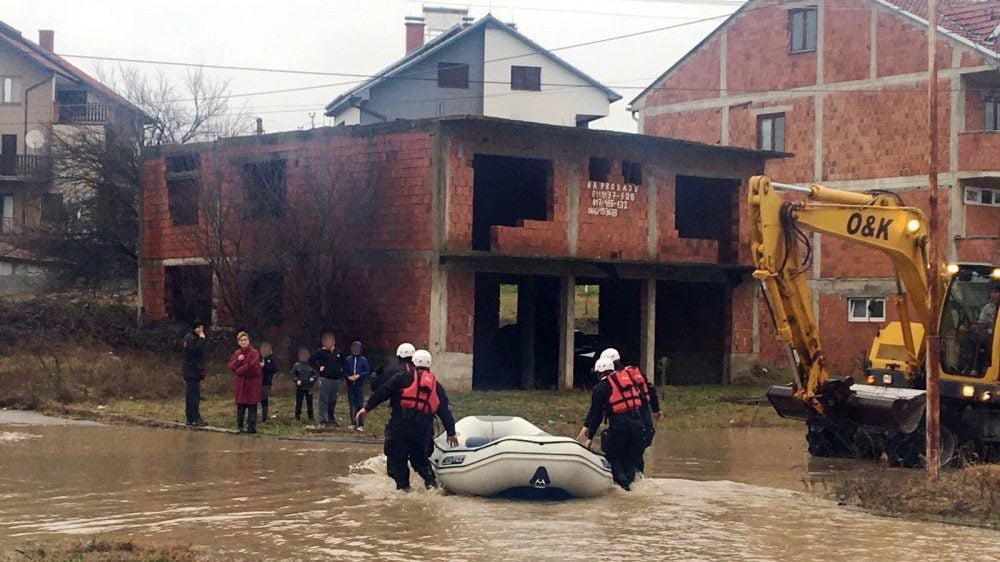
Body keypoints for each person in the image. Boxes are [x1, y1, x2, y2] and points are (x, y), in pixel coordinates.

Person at [355, 349, 459, 491]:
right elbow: (444, 411)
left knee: (397, 461)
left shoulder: (402, 377)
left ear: (413, 362)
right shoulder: (436, 386)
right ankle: (432, 486)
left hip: (400, 426)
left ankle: (404, 490)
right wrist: (451, 432)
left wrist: (366, 408)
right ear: (429, 365)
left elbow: (383, 392)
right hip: (423, 430)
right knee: (421, 461)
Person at [577, 356, 647, 491]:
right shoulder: (629, 383)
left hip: (620, 428)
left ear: (600, 372)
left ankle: (623, 489)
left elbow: (596, 414)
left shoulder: (601, 388)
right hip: (638, 427)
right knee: (629, 459)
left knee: (613, 457)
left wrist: (589, 438)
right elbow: (643, 402)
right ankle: (631, 488)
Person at [600, 348, 662, 475]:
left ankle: (625, 485)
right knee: (636, 456)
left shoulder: (616, 380)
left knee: (622, 456)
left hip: (630, 425)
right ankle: (638, 480)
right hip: (645, 426)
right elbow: (651, 390)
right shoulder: (635, 374)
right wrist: (656, 410)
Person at [227, 331, 263, 434]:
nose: (243, 342)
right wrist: (238, 361)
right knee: (241, 407)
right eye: (241, 340)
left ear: (249, 340)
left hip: (252, 385)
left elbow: (253, 368)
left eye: (245, 340)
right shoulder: (237, 353)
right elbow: (231, 366)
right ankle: (240, 426)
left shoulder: (254, 353)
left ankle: (251, 427)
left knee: (252, 406)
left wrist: (239, 370)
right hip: (241, 385)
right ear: (238, 342)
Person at [961, 283, 1000, 375]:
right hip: (988, 336)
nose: (993, 295)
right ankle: (968, 365)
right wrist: (977, 326)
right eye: (992, 292)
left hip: (997, 337)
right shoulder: (988, 308)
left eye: (996, 292)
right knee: (970, 337)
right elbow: (982, 322)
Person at [309, 332, 344, 426]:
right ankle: (322, 419)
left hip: (335, 379)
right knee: (323, 399)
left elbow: (343, 363)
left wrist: (341, 370)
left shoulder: (338, 352)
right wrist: (318, 368)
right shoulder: (321, 352)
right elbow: (311, 360)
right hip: (325, 379)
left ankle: (331, 418)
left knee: (333, 400)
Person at [181, 320, 208, 427]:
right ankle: (195, 418)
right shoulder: (190, 338)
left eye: (202, 328)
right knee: (193, 396)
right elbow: (194, 350)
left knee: (192, 395)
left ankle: (190, 418)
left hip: (193, 371)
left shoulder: (192, 338)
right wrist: (202, 339)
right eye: (198, 328)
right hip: (192, 371)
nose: (201, 330)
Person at [344, 341, 371, 431]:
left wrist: (359, 376)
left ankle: (361, 424)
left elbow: (367, 371)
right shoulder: (348, 359)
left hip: (359, 385)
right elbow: (344, 371)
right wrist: (348, 377)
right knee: (352, 405)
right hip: (351, 385)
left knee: (360, 404)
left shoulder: (363, 360)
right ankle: (353, 423)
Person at [291, 346, 317, 422]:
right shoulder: (296, 365)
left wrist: (313, 378)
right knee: (299, 402)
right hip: (300, 387)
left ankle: (311, 417)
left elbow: (315, 374)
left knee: (310, 403)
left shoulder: (311, 365)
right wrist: (296, 380)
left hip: (309, 387)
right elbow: (293, 374)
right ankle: (297, 417)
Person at [259, 341, 276, 423]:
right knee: (253, 400)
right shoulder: (258, 357)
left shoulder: (271, 359)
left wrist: (264, 366)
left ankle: (264, 418)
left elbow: (274, 369)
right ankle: (252, 417)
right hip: (256, 382)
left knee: (264, 400)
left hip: (265, 382)